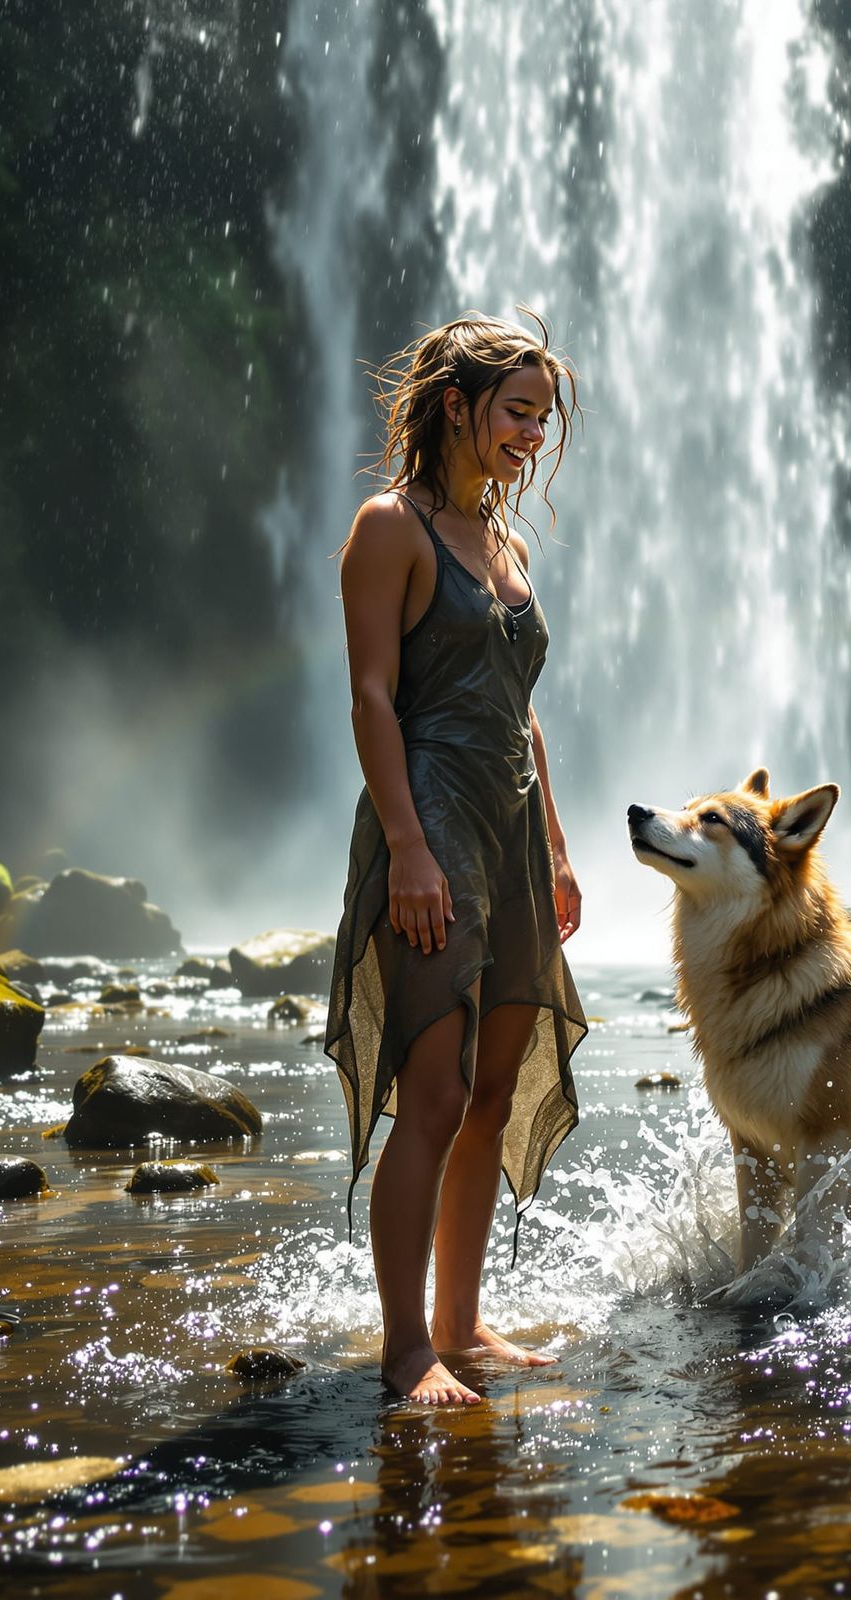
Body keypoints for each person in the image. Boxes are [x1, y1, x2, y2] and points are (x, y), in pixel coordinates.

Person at [325, 310, 589, 1405]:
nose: (532, 433)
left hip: (514, 832)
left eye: (541, 416)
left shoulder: (504, 542)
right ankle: (405, 1350)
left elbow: (520, 711)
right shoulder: (390, 527)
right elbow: (374, 695)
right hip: (429, 822)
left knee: (487, 1093)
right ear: (456, 406)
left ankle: (461, 1322)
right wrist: (405, 849)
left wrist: (561, 848)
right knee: (431, 1097)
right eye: (516, 411)